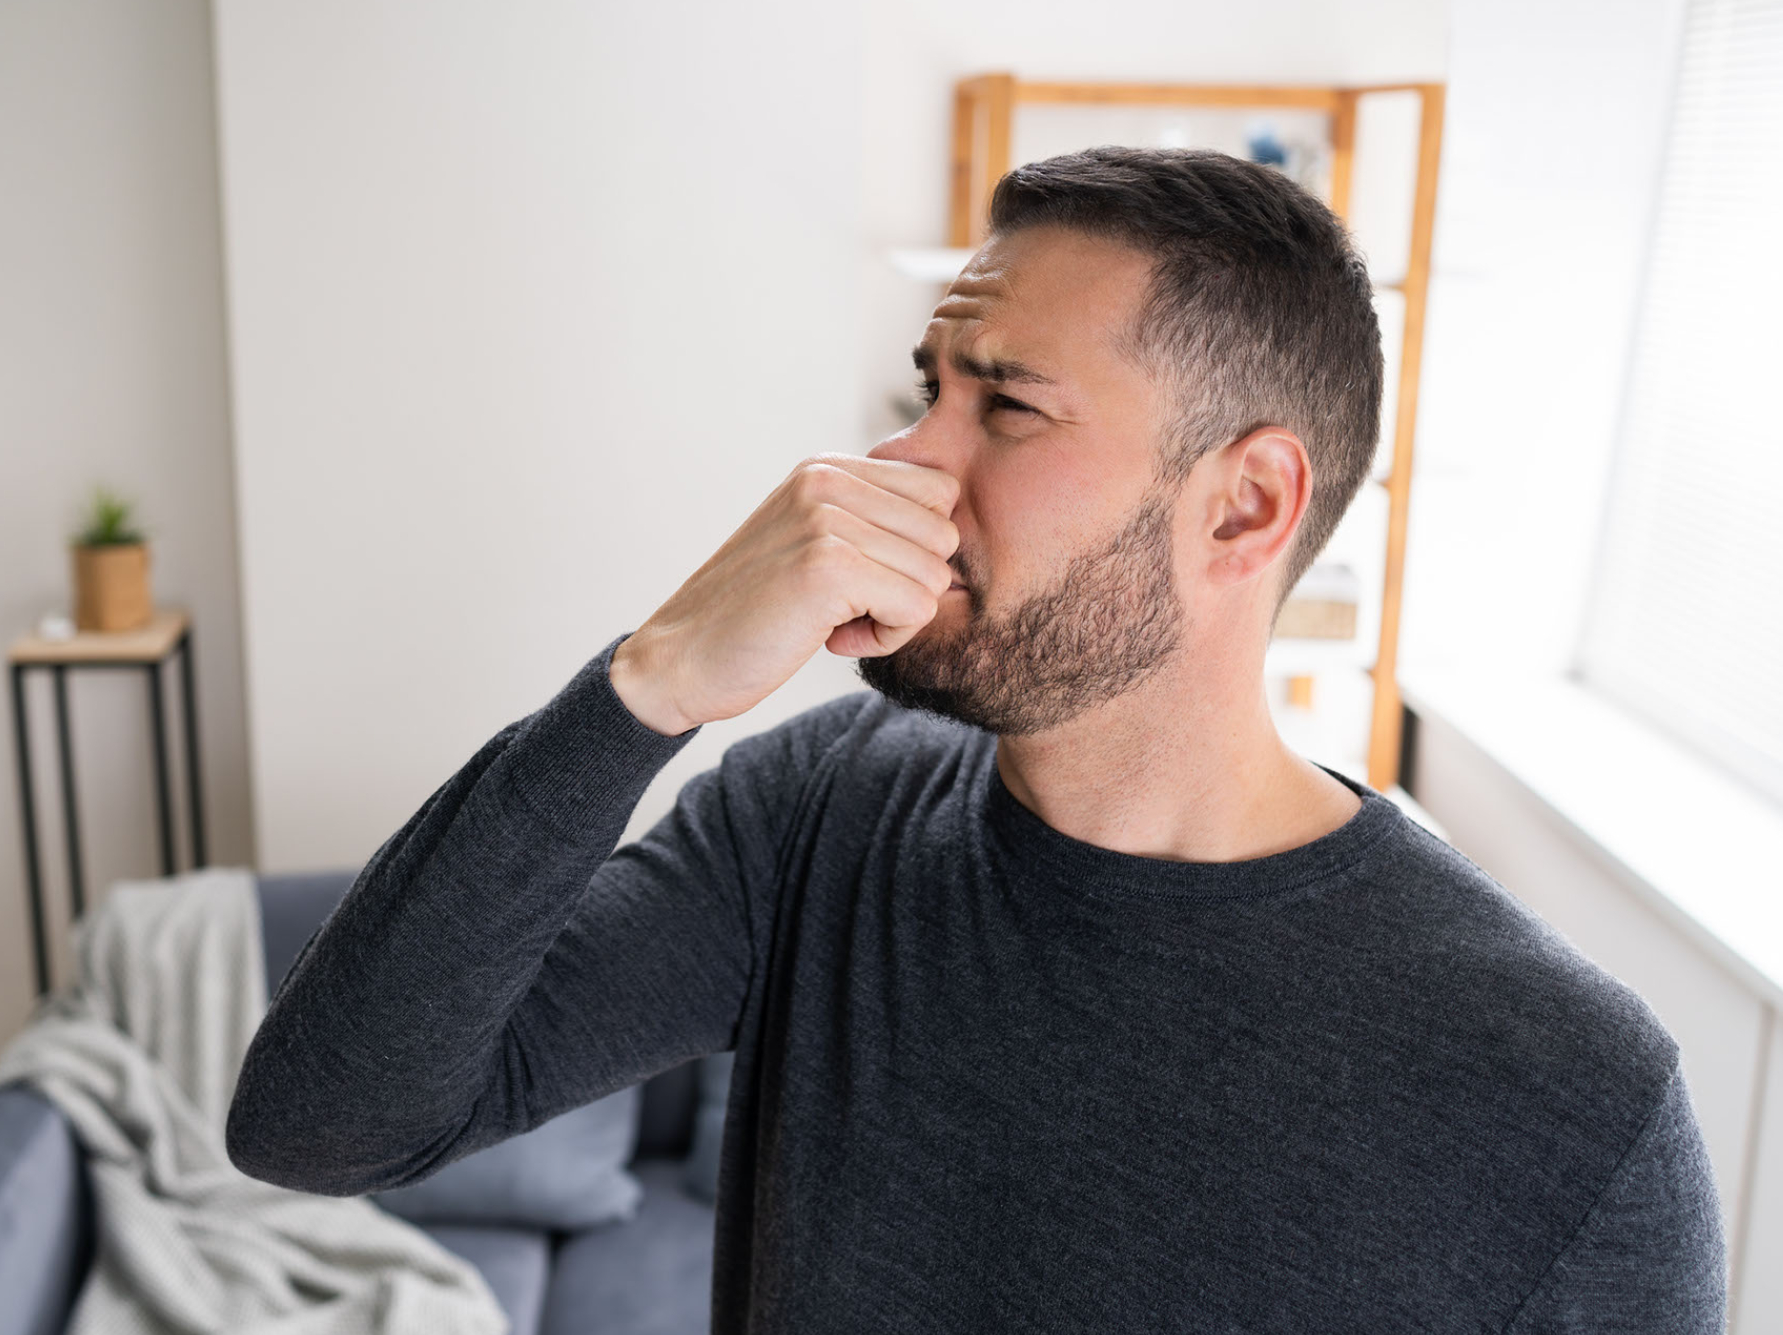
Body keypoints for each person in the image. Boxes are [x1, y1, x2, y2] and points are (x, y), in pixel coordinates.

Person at [226, 146, 1727, 1332]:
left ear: (1246, 506)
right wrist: (653, 681)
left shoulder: (1565, 1093)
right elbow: (321, 1123)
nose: (898, 463)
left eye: (1002, 407)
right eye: (922, 393)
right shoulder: (820, 812)